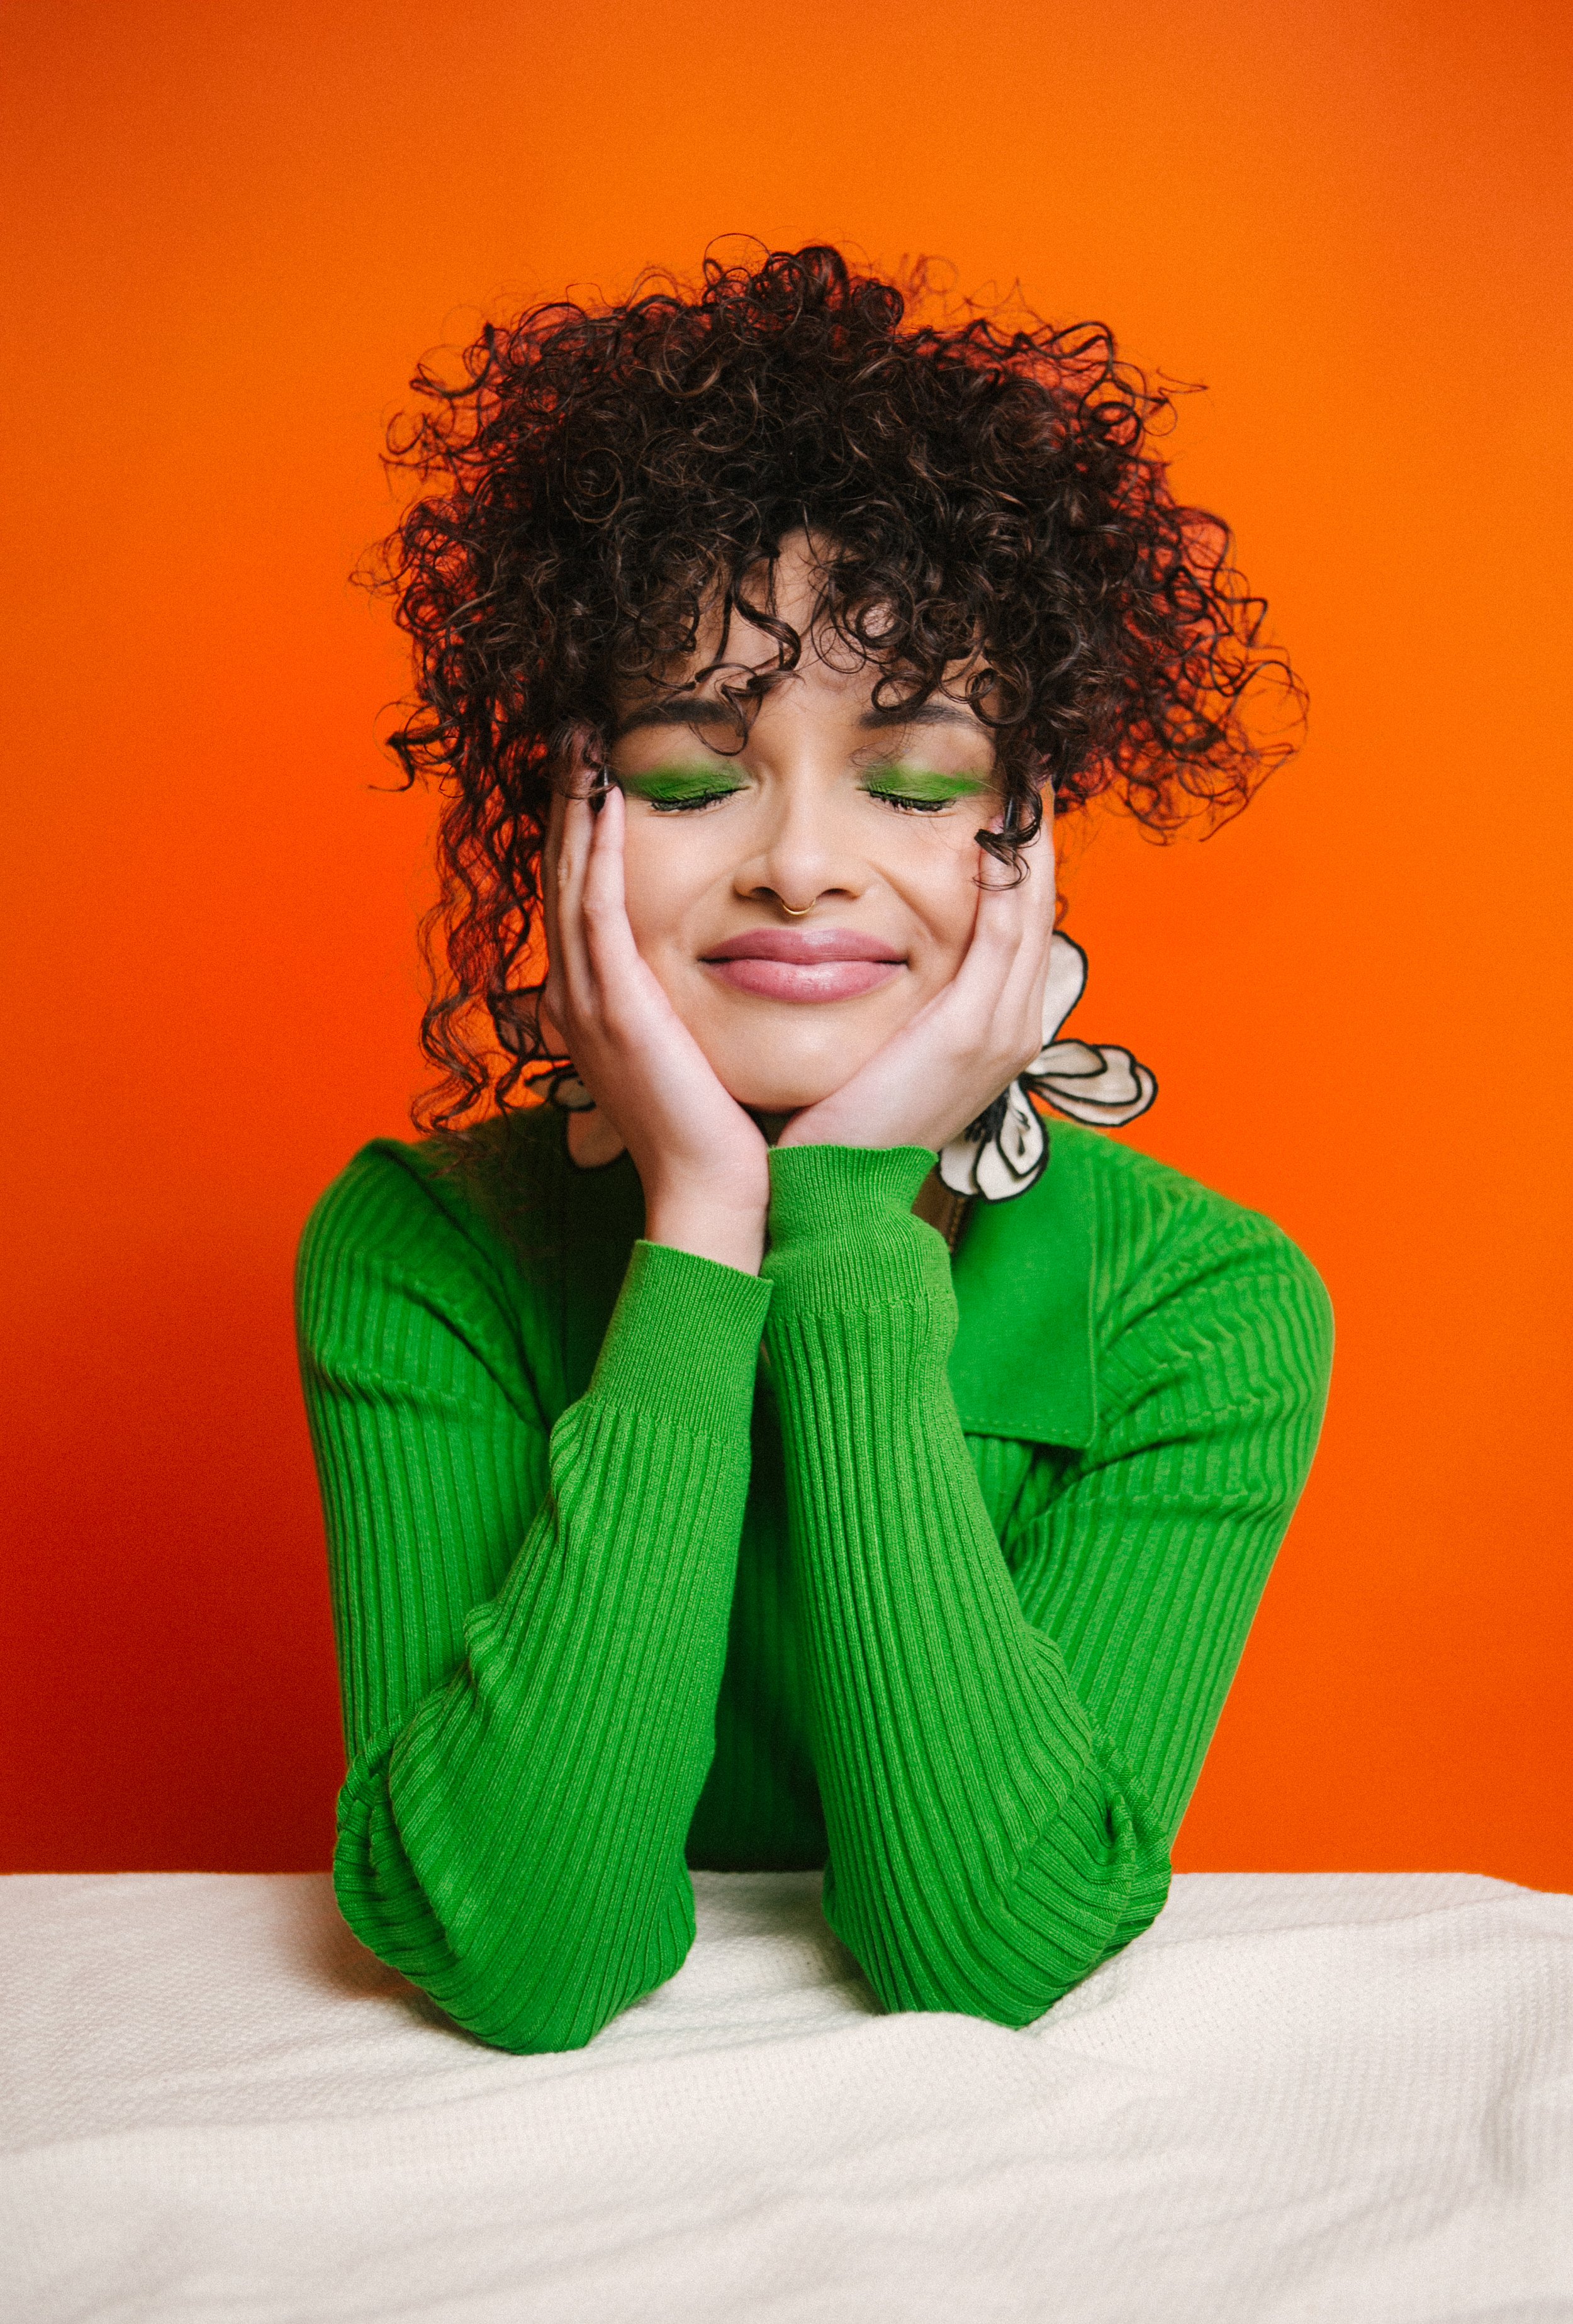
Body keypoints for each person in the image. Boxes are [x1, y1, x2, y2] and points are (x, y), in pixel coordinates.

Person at [296, 245, 1333, 2055]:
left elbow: (987, 1950)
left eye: (914, 778)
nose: (797, 858)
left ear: (1022, 835)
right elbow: (526, 1957)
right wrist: (704, 1221)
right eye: (694, 773)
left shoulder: (1206, 1307)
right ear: (563, 822)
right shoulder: (421, 1256)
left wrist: (846, 1224)